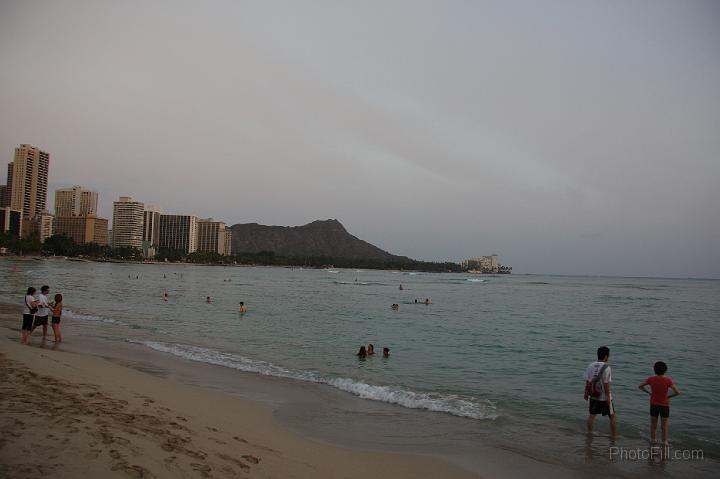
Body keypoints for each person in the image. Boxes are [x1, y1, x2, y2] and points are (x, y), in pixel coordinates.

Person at [638, 361, 680, 445]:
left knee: (653, 425)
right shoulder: (668, 380)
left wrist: (649, 393)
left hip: (654, 405)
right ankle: (665, 442)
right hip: (664, 405)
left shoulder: (651, 379)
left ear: (654, 370)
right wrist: (668, 397)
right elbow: (677, 392)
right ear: (665, 370)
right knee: (664, 427)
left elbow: (640, 386)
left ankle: (653, 440)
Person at [585, 346, 617, 436]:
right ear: (606, 356)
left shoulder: (590, 365)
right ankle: (614, 437)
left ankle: (589, 434)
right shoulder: (607, 367)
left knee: (592, 416)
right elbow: (606, 384)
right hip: (604, 397)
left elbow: (588, 380)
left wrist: (586, 393)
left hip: (594, 395)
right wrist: (608, 397)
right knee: (612, 416)